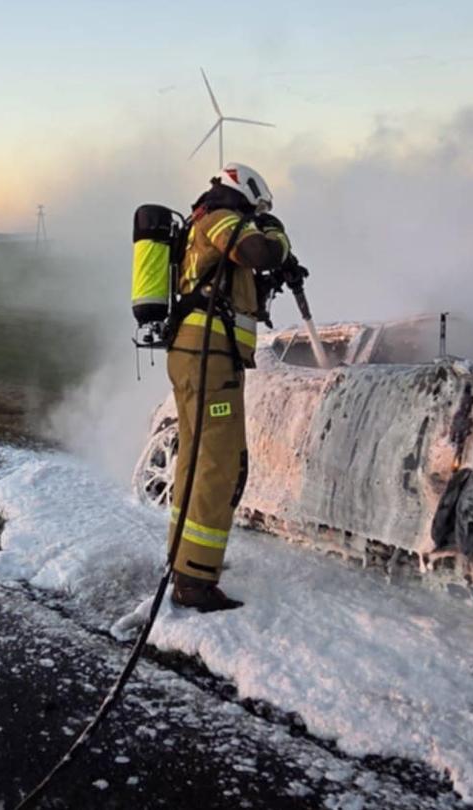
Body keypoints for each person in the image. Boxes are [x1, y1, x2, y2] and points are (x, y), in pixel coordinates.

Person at [163, 163, 292, 612]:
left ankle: (185, 559)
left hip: (200, 356)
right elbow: (260, 251)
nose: (260, 215)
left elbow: (242, 272)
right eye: (260, 208)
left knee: (196, 463)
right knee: (219, 467)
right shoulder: (220, 216)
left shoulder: (205, 220)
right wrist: (277, 234)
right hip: (208, 358)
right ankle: (194, 580)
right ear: (249, 193)